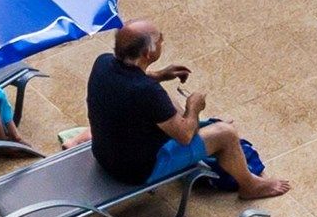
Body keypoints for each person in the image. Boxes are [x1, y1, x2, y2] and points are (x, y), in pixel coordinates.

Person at [83, 20, 287, 200]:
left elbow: (132, 80)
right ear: (148, 53)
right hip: (134, 172)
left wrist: (161, 75)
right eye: (160, 39)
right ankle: (250, 186)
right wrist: (194, 106)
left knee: (168, 102)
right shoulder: (146, 92)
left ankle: (213, 138)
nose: (163, 41)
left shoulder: (103, 62)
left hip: (105, 154)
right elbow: (185, 136)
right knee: (226, 133)